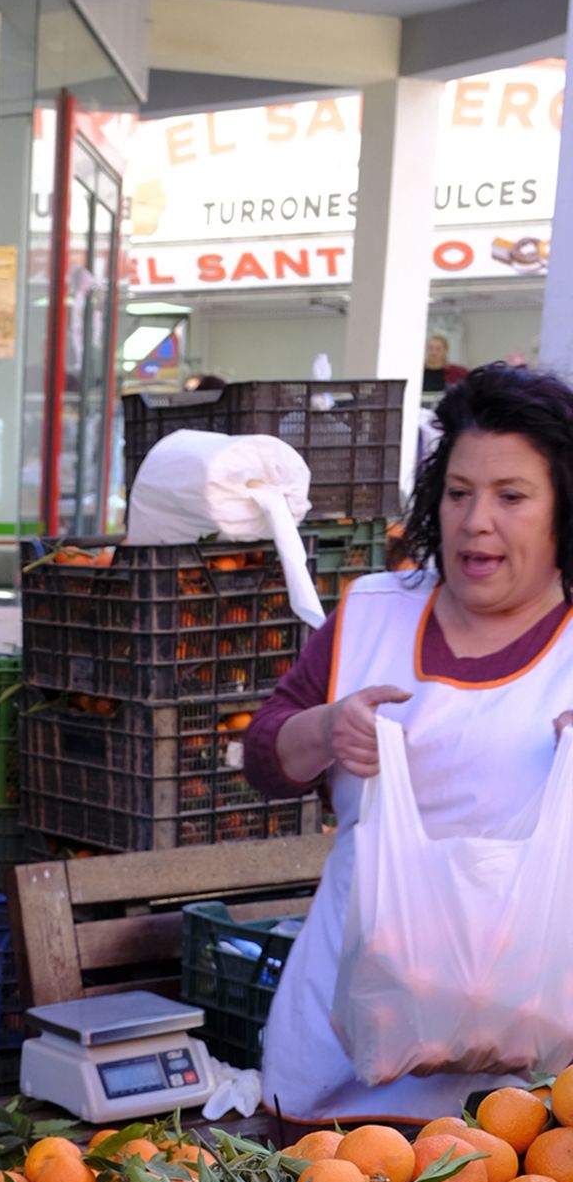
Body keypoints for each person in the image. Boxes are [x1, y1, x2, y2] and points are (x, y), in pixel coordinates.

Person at [244, 362, 573, 1124]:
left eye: (512, 497)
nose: (475, 521)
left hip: (524, 1092)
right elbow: (263, 755)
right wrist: (327, 728)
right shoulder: (373, 616)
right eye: (459, 492)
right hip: (342, 1068)